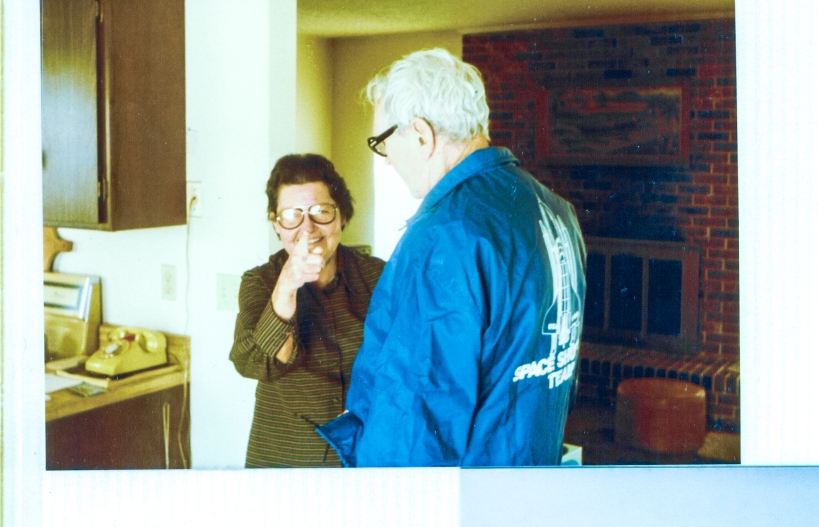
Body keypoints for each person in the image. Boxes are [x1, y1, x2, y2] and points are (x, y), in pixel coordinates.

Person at [318, 49, 586, 468]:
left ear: (421, 135)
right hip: (535, 471)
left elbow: (415, 420)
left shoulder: (444, 238)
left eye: (383, 143)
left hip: (467, 504)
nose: (385, 160)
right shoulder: (553, 210)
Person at [231, 154, 385, 467]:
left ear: (341, 216)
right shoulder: (259, 281)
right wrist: (286, 287)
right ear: (277, 225)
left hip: (363, 458)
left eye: (321, 212)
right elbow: (254, 364)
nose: (308, 228)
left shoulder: (379, 277)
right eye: (292, 215)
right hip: (285, 464)